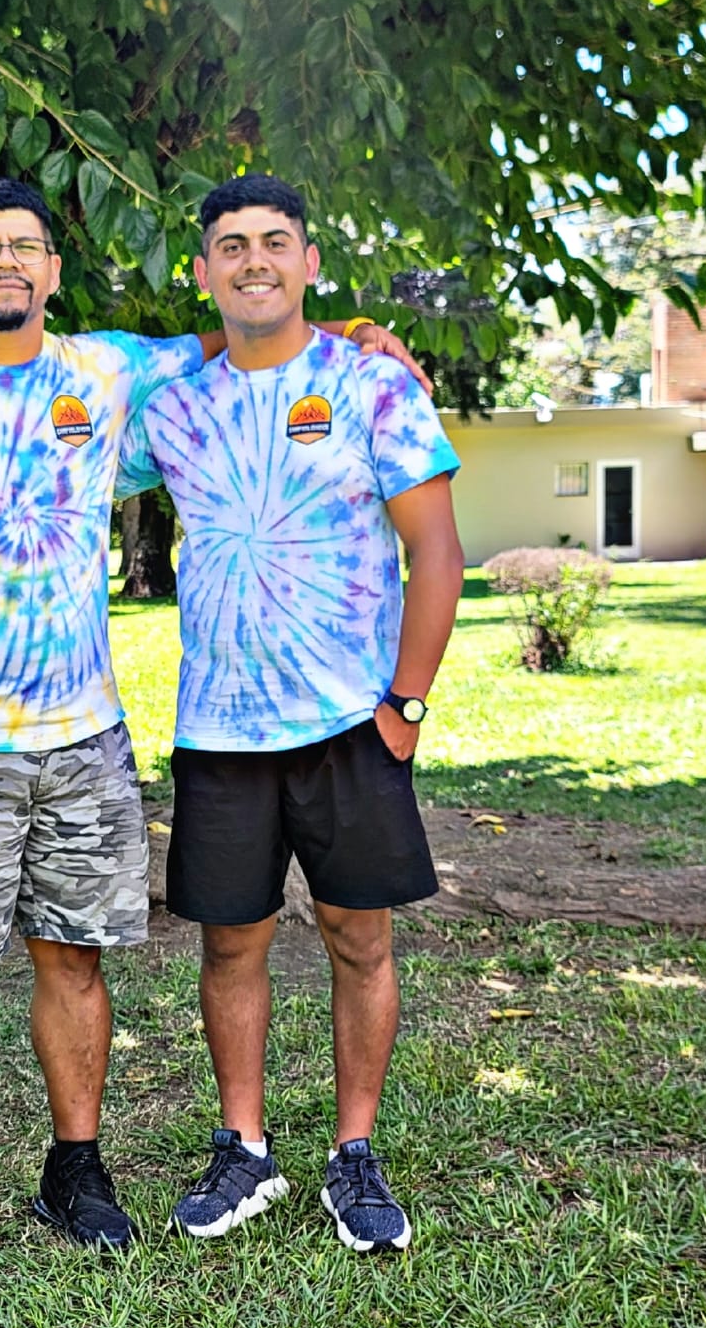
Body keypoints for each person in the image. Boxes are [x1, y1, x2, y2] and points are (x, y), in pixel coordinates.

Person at [0, 176, 419, 1289]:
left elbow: (248, 332)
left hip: (82, 740)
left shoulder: (108, 370)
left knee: (74, 962)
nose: (5, 262)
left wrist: (359, 330)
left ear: (52, 269)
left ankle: (74, 1172)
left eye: (24, 245)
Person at [116, 174, 465, 1254]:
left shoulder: (371, 384)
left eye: (275, 241)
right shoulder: (173, 405)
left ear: (310, 262)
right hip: (220, 728)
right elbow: (65, 419)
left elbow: (437, 550)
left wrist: (406, 699)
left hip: (351, 722)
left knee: (360, 938)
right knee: (231, 944)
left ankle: (354, 1151)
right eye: (231, 245)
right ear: (204, 270)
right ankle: (244, 1147)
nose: (253, 259)